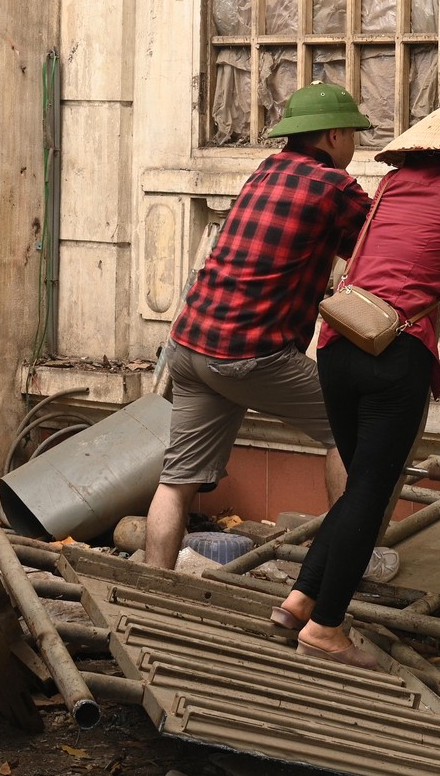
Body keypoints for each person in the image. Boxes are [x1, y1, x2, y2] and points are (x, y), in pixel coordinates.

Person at [268, 98, 440, 667]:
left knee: (360, 490)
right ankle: (325, 628)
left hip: (339, 340)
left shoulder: (393, 184)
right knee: (370, 497)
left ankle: (299, 600)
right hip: (394, 355)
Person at [144, 83, 375, 569]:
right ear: (334, 135)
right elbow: (385, 240)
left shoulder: (267, 170)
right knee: (351, 428)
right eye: (353, 135)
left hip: (189, 346)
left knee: (176, 481)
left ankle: (153, 581)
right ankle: (343, 565)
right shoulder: (334, 185)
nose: (354, 146)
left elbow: (335, 244)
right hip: (247, 354)